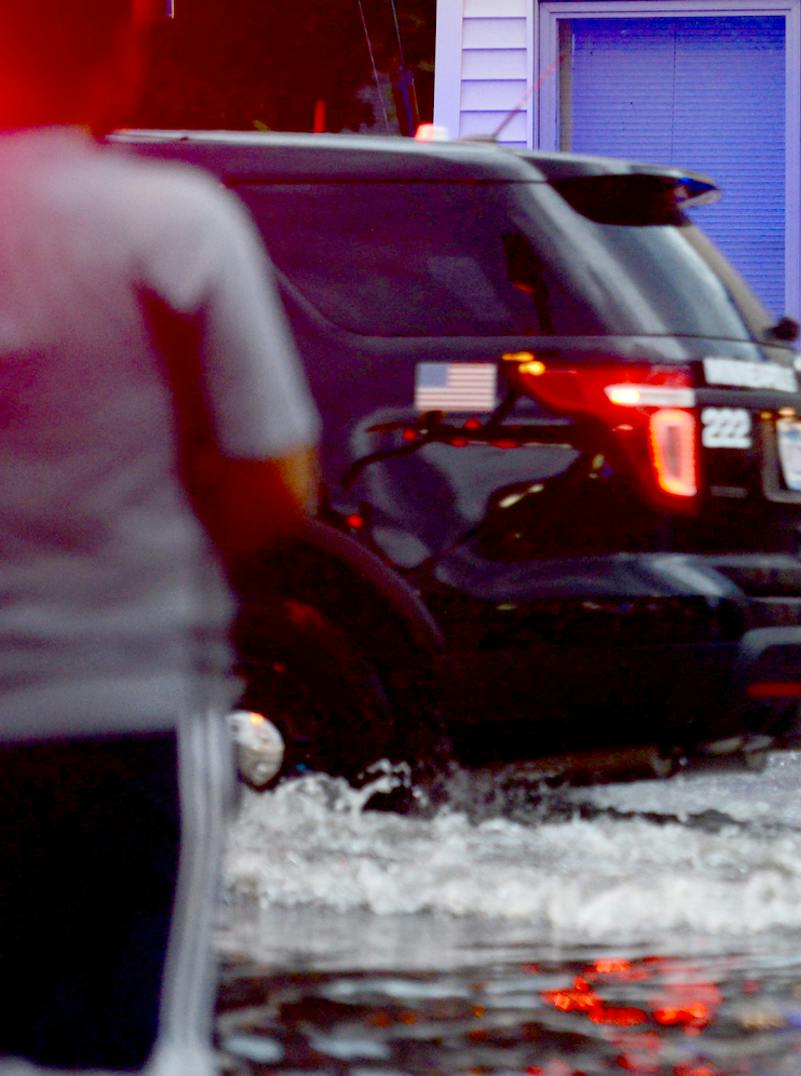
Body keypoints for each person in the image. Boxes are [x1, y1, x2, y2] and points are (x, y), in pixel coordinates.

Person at [0, 1, 320, 1071]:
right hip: (130, 700)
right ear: (122, 47)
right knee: (138, 1047)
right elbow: (278, 479)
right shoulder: (175, 226)